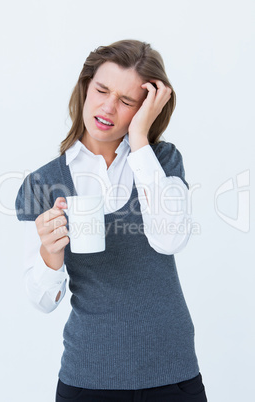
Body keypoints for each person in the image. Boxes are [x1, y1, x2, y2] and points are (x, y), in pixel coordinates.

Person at [15, 39, 208, 402]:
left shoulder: (161, 162)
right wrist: (50, 253)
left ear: (144, 109)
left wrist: (139, 141)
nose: (108, 107)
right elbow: (43, 301)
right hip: (89, 379)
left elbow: (170, 240)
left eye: (127, 101)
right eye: (102, 90)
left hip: (174, 372)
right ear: (85, 87)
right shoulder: (42, 183)